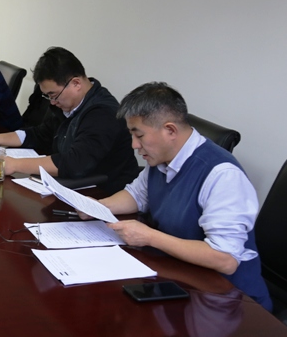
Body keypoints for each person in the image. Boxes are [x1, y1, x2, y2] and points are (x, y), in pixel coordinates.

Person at [94, 82, 272, 310]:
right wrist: (98, 206)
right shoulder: (161, 158)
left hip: (229, 301)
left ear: (170, 130)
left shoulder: (222, 175)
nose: (134, 145)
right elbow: (136, 195)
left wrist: (149, 237)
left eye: (139, 135)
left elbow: (225, 259)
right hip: (180, 277)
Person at [0, 47, 137, 194]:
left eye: (53, 95)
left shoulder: (102, 114)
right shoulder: (70, 105)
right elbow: (40, 133)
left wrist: (16, 165)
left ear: (76, 83)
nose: (52, 102)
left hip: (102, 193)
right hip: (72, 187)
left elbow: (74, 163)